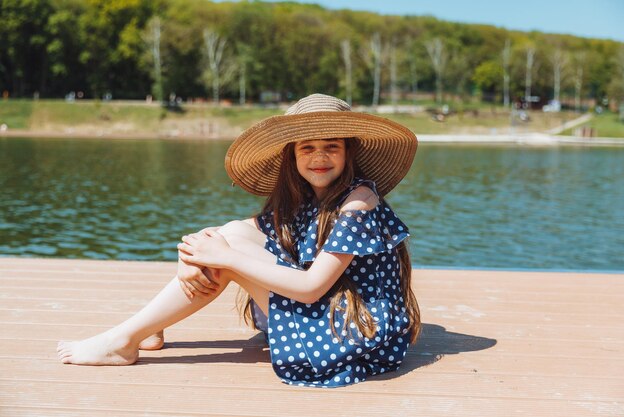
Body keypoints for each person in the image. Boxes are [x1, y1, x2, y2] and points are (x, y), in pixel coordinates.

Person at [57, 93, 421, 387]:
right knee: (228, 234)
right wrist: (191, 255)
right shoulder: (308, 200)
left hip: (356, 335)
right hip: (333, 312)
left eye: (332, 146)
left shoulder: (359, 201)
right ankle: (145, 330)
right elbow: (238, 230)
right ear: (292, 156)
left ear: (349, 151)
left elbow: (311, 287)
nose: (319, 157)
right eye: (307, 148)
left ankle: (124, 341)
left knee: (228, 253)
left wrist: (226, 259)